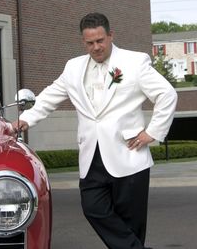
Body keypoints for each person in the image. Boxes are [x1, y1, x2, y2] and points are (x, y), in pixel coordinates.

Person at [13, 12, 177, 249]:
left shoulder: (135, 62)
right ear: (83, 41)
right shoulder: (73, 68)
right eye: (90, 43)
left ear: (111, 35)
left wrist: (153, 132)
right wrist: (24, 120)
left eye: (100, 40)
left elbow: (167, 94)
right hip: (91, 157)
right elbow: (49, 97)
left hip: (129, 155)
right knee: (93, 209)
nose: (96, 47)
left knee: (130, 224)